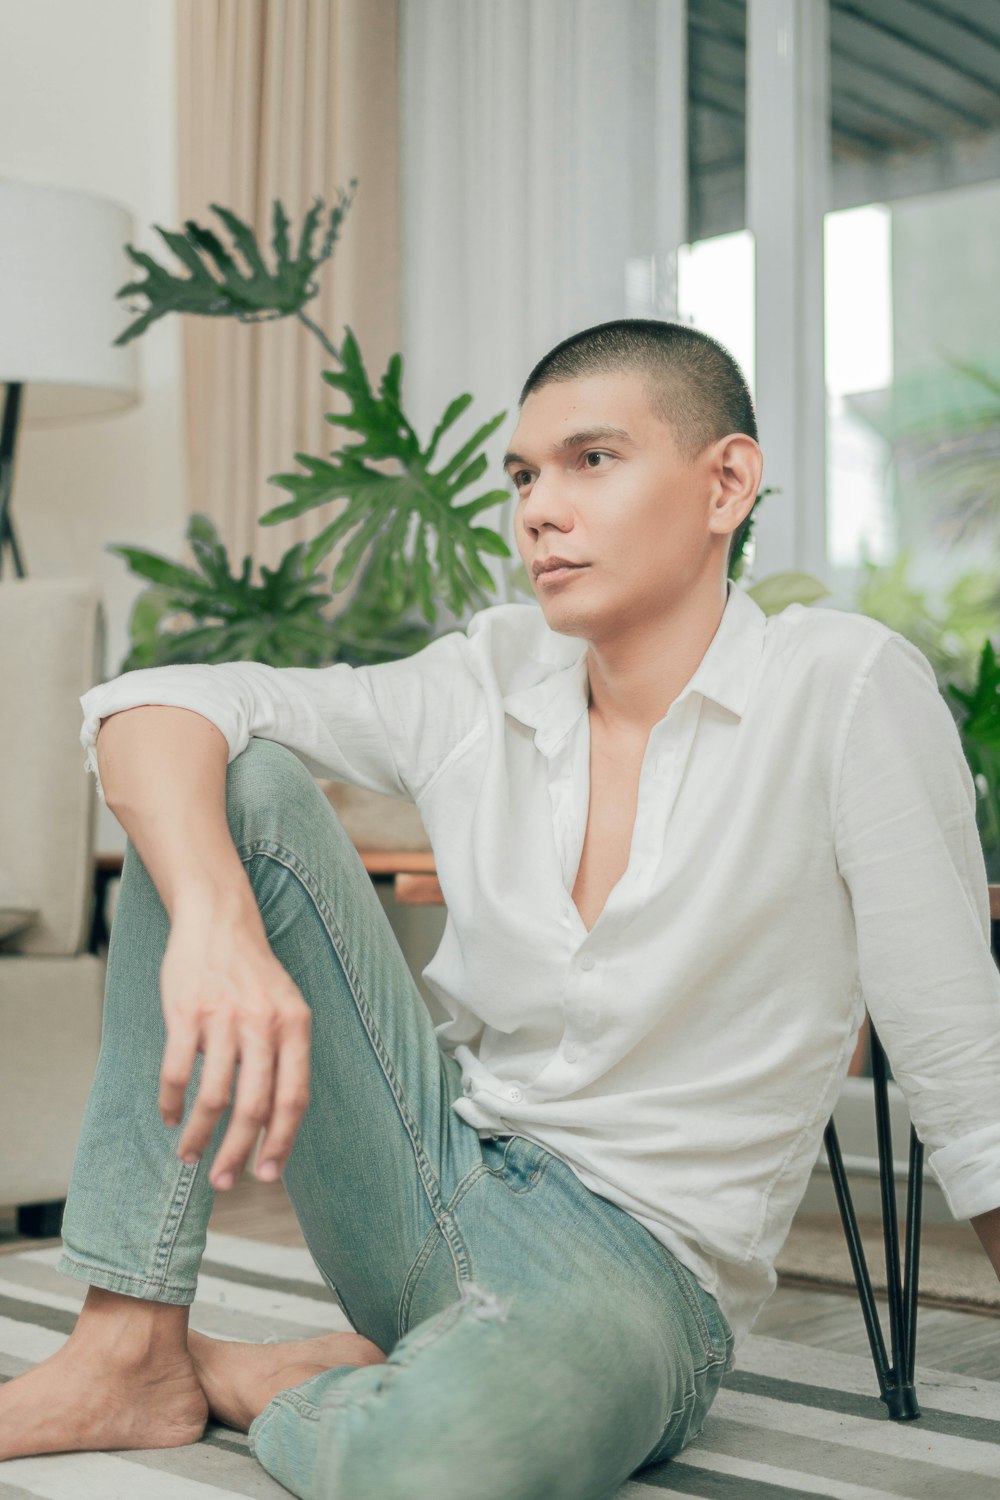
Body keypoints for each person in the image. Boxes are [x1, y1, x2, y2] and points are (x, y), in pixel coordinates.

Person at [2, 318, 998, 1499]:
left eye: (591, 461)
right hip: (434, 1173)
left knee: (420, 1466)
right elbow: (153, 702)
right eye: (523, 475)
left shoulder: (843, 688)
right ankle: (127, 1343)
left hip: (637, 1274)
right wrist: (218, 923)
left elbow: (962, 1070)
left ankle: (272, 1384)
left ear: (725, 482)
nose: (537, 509)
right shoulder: (489, 674)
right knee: (229, 774)